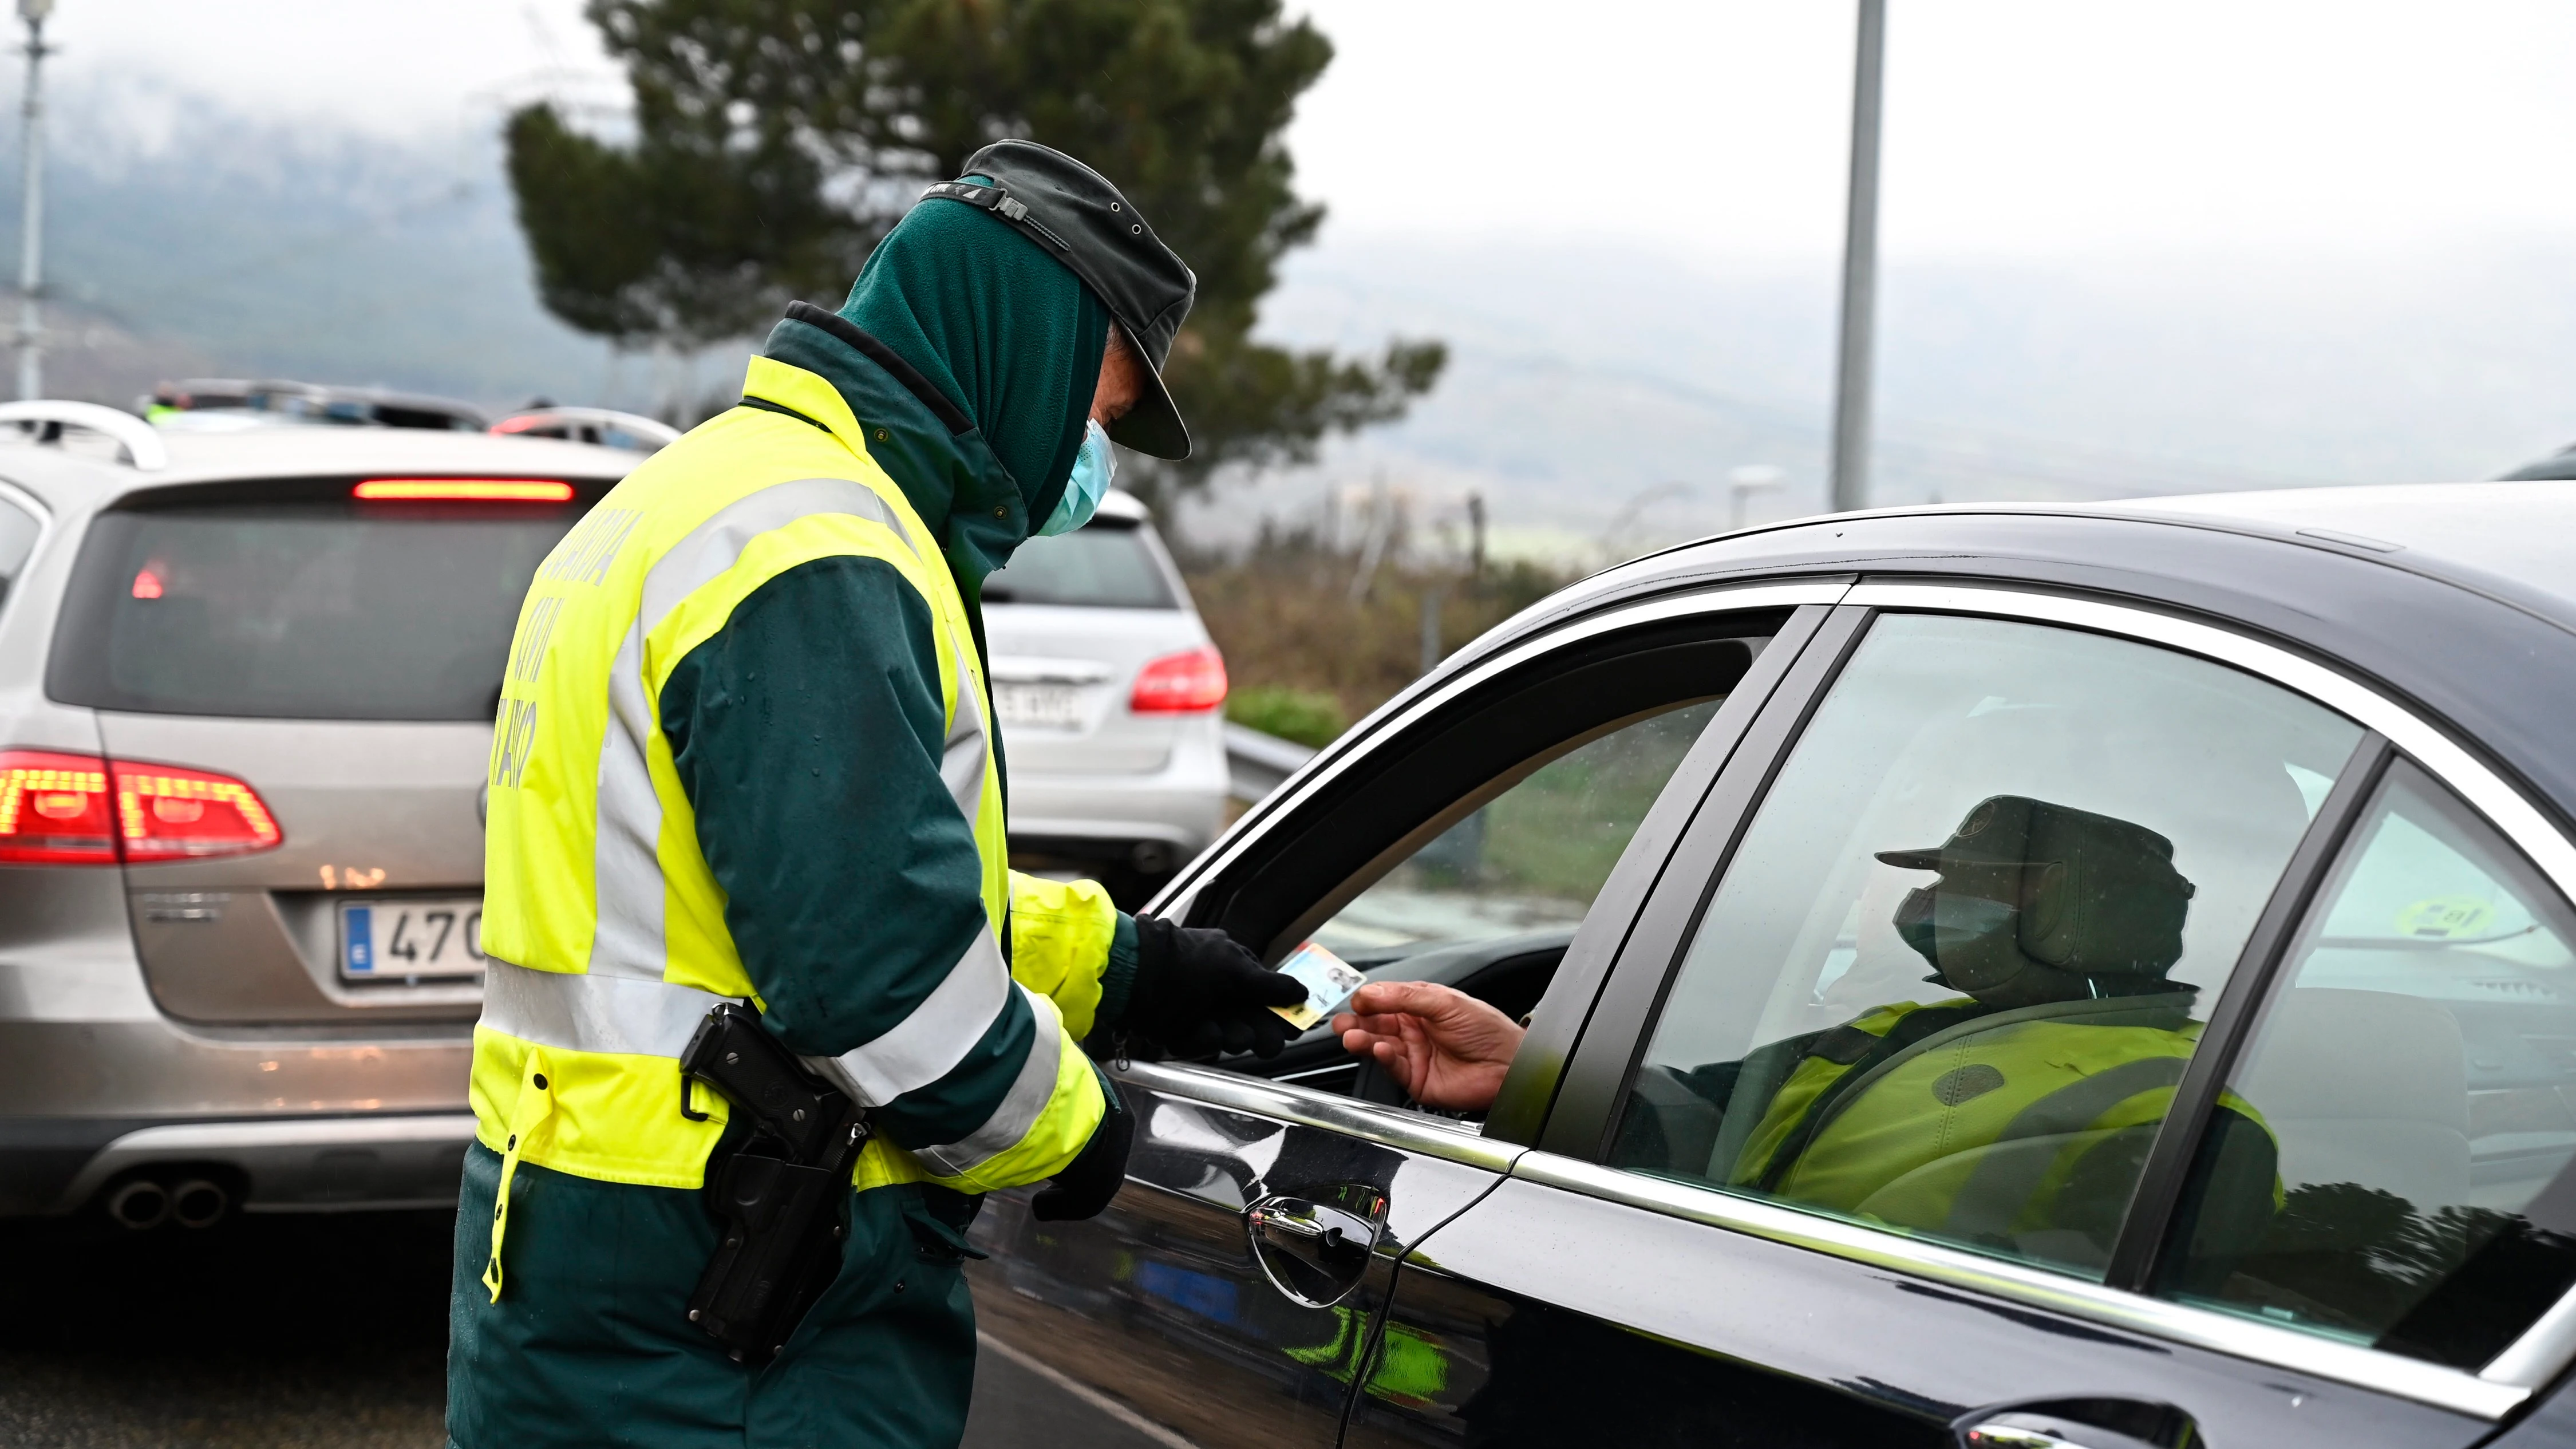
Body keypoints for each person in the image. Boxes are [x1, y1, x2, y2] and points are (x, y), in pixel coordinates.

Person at [452, 140, 1303, 1448]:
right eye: (1098, 406)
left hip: (600, 1240)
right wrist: (1080, 1133)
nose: (1091, 454)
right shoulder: (816, 545)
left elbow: (791, 879)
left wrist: (1128, 967)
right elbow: (877, 972)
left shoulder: (714, 494)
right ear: (1019, 340)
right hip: (724, 1301)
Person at [1337, 795, 2279, 1270]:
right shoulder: (1904, 1028)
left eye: (1969, 879)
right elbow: (1707, 1121)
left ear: (2071, 910)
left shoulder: (2183, 1116)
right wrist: (1524, 1071)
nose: (1929, 900)